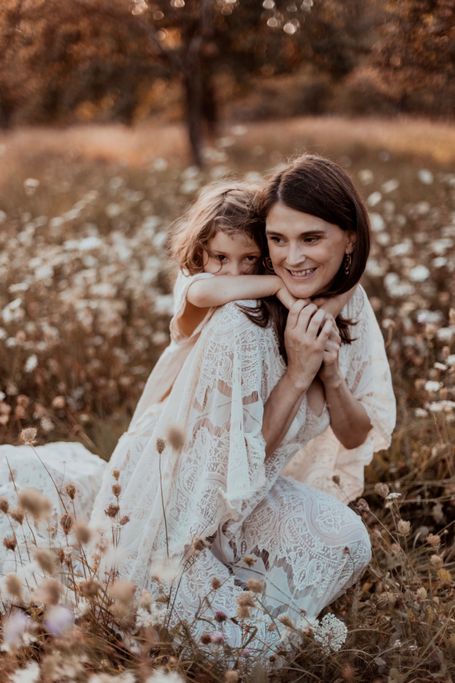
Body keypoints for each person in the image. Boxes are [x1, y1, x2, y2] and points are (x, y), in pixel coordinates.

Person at [87, 154, 395, 660]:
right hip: (183, 517)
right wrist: (297, 374)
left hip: (251, 501)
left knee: (347, 540)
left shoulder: (347, 304)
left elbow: (356, 433)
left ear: (350, 240)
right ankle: (243, 617)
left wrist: (332, 377)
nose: (291, 258)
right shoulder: (239, 323)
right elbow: (232, 472)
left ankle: (260, 607)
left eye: (310, 239)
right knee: (240, 655)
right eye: (277, 240)